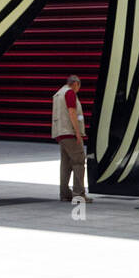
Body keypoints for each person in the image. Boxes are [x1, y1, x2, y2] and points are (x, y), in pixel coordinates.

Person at [52, 73, 92, 203]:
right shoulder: (69, 93)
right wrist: (78, 132)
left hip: (60, 133)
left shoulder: (58, 94)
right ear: (75, 84)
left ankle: (64, 194)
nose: (78, 89)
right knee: (79, 162)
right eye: (78, 86)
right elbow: (72, 112)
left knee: (65, 164)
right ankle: (79, 194)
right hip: (70, 133)